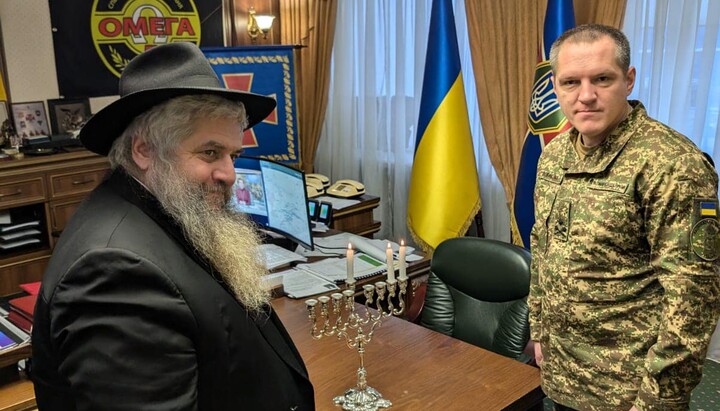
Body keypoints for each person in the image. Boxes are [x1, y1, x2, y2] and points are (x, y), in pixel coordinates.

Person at [31, 42, 315, 410]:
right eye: (210, 152)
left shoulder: (167, 207)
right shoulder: (114, 272)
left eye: (234, 154)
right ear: (144, 151)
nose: (229, 174)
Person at [528, 24, 720, 411]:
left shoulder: (674, 164)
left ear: (628, 80)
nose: (586, 96)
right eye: (570, 82)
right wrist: (539, 330)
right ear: (555, 87)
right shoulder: (553, 157)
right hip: (564, 373)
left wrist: (658, 399)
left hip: (630, 391)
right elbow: (542, 247)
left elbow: (694, 298)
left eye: (602, 79)